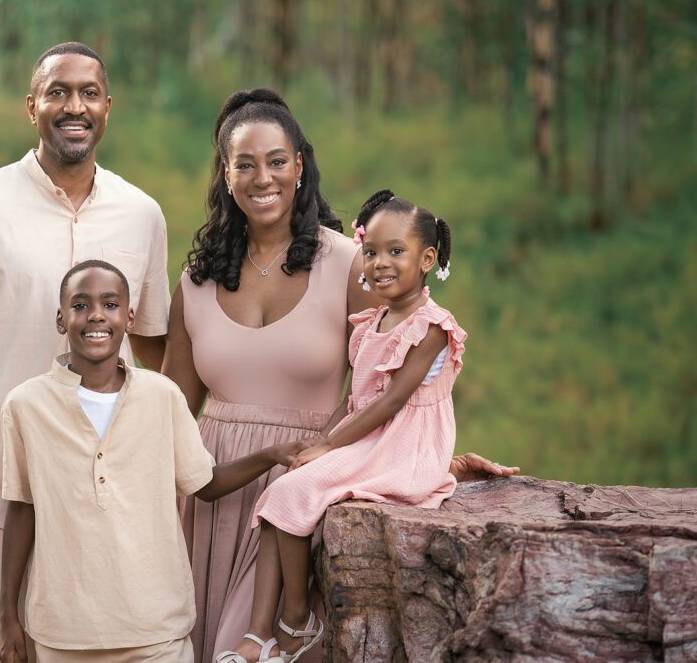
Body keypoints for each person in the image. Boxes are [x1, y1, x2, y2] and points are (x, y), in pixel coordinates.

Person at [161, 89, 518, 663]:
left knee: (251, 646)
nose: (263, 178)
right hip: (213, 495)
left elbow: (388, 382)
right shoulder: (196, 282)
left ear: (300, 165)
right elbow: (170, 409)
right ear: (226, 176)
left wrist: (428, 462)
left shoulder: (350, 265)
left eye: (277, 161)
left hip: (307, 482)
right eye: (244, 165)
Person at [0, 42, 170, 663]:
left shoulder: (143, 216)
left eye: (87, 93)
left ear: (108, 107)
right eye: (57, 92)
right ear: (32, 108)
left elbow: (159, 353)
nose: (73, 105)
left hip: (107, 500)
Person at [0, 261, 314, 663]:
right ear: (61, 319)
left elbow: (204, 482)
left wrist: (272, 455)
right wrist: (8, 615)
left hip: (157, 631)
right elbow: (22, 509)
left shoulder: (161, 395)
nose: (96, 314)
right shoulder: (25, 405)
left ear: (129, 317)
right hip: (63, 634)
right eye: (81, 304)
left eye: (110, 304)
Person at [219, 189, 467, 663]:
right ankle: (258, 634)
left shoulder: (432, 326)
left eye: (396, 252)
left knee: (294, 492)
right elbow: (355, 399)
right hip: (367, 434)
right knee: (285, 486)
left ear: (428, 259)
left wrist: (331, 445)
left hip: (403, 446)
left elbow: (391, 403)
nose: (380, 263)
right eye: (370, 252)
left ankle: (297, 622)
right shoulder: (372, 320)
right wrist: (320, 444)